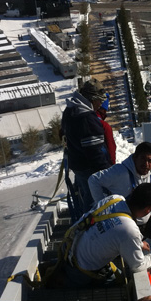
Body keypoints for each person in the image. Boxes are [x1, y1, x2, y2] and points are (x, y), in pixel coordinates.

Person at [89, 142, 151, 282]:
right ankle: (123, 280)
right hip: (123, 222)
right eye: (143, 159)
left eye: (150, 161)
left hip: (144, 217)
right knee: (127, 252)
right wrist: (103, 206)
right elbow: (93, 180)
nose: (147, 164)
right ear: (135, 158)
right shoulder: (119, 172)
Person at [61, 183, 151, 287]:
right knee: (121, 282)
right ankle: (63, 282)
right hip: (81, 270)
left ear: (133, 192)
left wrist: (137, 243)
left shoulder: (115, 199)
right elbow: (138, 266)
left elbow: (114, 230)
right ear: (149, 209)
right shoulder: (129, 230)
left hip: (68, 249)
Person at [61, 79, 112, 217]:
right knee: (95, 203)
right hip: (89, 168)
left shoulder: (70, 110)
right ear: (92, 99)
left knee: (85, 197)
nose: (100, 104)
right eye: (99, 100)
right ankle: (92, 228)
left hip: (78, 165)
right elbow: (95, 153)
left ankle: (86, 224)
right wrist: (108, 173)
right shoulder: (87, 118)